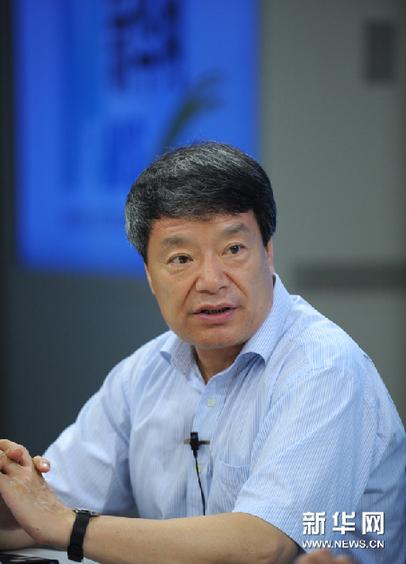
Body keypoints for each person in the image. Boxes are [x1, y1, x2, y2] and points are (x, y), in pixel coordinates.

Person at [0, 142, 405, 563]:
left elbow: (262, 546)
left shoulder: (324, 367)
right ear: (149, 275)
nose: (211, 280)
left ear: (268, 252)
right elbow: (37, 514)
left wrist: (71, 527)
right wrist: (14, 486)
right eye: (181, 258)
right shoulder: (142, 375)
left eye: (233, 249)